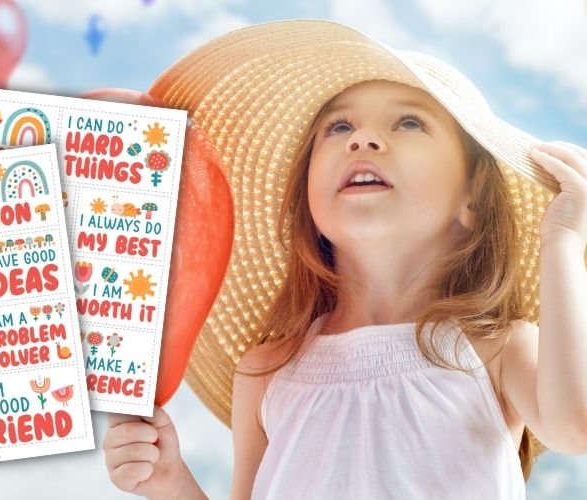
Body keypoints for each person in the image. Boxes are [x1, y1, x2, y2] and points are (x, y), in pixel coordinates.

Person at [102, 20, 587, 499]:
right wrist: (170, 483)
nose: (363, 139)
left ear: (473, 201)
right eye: (339, 126)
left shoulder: (497, 349)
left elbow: (575, 426)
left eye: (410, 122)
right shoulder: (267, 372)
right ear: (307, 203)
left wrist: (563, 240)